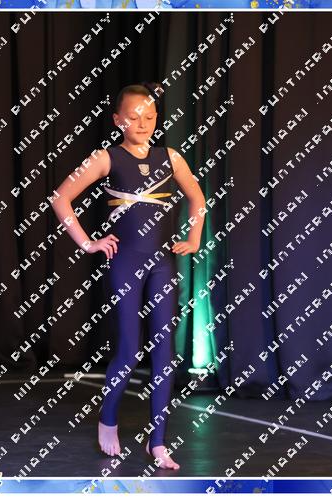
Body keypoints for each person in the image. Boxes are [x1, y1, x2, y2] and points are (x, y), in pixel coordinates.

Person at [51, 82, 205, 470]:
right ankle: (108, 419)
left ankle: (158, 442)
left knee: (165, 352)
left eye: (150, 116)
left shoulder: (170, 157)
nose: (142, 123)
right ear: (118, 120)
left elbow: (197, 198)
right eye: (134, 117)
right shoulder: (107, 157)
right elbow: (61, 197)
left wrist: (193, 238)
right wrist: (88, 243)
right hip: (125, 264)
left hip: (162, 265)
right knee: (129, 349)